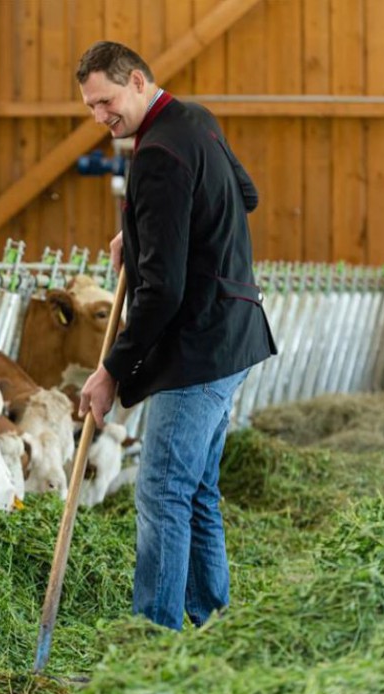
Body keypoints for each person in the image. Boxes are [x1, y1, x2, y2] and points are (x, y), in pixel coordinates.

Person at [74, 41, 276, 631]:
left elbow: (161, 292)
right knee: (196, 491)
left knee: (162, 489)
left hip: (199, 346)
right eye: (89, 106)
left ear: (137, 81)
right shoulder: (195, 120)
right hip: (234, 331)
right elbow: (245, 196)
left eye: (106, 101)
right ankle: (210, 620)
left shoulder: (157, 154)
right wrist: (141, 236)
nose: (99, 117)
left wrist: (111, 370)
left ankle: (153, 637)